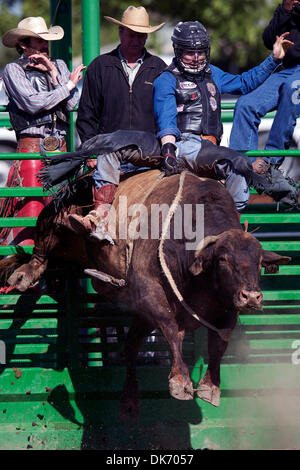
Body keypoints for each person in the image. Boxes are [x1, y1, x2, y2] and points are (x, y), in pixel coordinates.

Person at [153, 21, 293, 213]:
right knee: (237, 162)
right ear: (177, 51)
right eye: (189, 52)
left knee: (237, 164)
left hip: (209, 147)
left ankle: (233, 217)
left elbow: (244, 83)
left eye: (201, 52)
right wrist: (169, 150)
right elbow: (166, 120)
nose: (196, 57)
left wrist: (274, 59)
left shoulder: (213, 73)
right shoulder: (167, 79)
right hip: (184, 144)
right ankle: (240, 212)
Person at [68, 5, 166, 240]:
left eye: (141, 35)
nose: (136, 40)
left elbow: (166, 114)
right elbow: (87, 115)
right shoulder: (100, 67)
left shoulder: (160, 68)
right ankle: (96, 224)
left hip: (147, 154)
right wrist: (92, 153)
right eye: (131, 34)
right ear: (121, 32)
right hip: (109, 155)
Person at [0, 16, 85, 246]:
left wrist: (54, 74)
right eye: (39, 40)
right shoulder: (13, 70)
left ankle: (61, 278)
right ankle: (23, 278)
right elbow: (32, 103)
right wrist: (67, 85)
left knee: (64, 216)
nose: (45, 45)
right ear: (24, 45)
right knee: (30, 216)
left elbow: (71, 105)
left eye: (45, 40)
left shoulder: (58, 65)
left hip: (60, 150)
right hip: (32, 149)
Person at [229, 0, 300, 204]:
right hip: (287, 70)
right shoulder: (287, 9)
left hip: (294, 79)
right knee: (245, 105)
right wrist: (286, 11)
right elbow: (268, 40)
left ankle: (269, 164)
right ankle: (244, 173)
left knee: (292, 88)